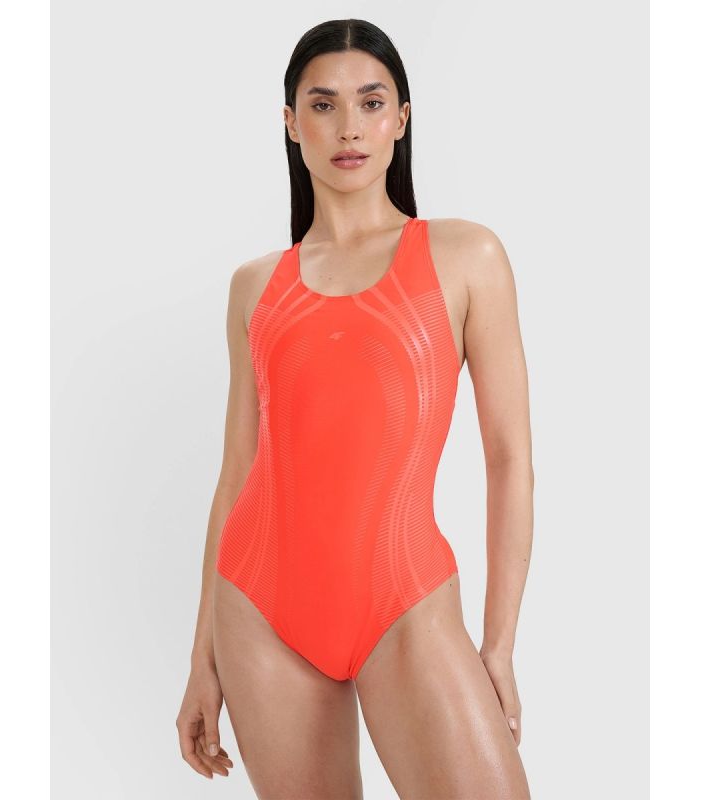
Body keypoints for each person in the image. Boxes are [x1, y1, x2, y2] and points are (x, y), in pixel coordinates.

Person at [176, 18, 533, 799]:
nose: (349, 128)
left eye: (371, 103)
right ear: (290, 122)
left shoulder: (466, 256)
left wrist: (499, 646)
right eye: (323, 104)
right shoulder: (254, 287)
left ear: (401, 119)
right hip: (261, 610)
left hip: (406, 602)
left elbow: (508, 459)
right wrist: (202, 659)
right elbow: (237, 472)